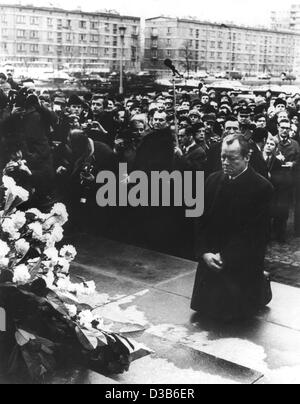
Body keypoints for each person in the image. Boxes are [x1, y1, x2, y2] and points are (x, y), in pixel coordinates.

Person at [191, 134, 273, 321]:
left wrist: (225, 256)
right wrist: (204, 252)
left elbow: (256, 234)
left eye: (232, 158)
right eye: (222, 157)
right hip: (210, 263)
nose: (225, 162)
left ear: (246, 157)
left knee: (235, 319)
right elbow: (200, 221)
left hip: (240, 267)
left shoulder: (262, 188)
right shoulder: (212, 180)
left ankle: (261, 285)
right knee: (205, 314)